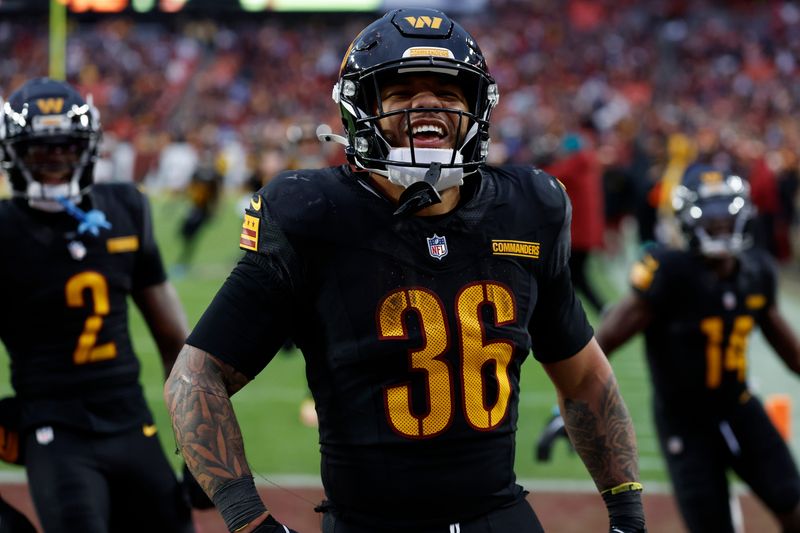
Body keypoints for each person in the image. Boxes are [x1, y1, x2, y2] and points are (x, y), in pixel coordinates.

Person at [165, 9, 646, 533]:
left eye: (448, 92)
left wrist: (627, 513)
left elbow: (586, 377)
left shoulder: (531, 208)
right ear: (359, 109)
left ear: (477, 107)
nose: (427, 106)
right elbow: (195, 377)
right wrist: (249, 521)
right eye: (400, 93)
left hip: (498, 517)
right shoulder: (312, 214)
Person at [0, 77, 195, 533]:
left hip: (129, 421)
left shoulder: (124, 207)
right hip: (54, 430)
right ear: (14, 153)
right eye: (38, 150)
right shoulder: (5, 231)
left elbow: (174, 342)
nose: (53, 161)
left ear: (86, 148)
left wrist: (199, 447)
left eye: (65, 147)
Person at [595, 165, 800, 532]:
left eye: (727, 216)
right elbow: (603, 342)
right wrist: (574, 405)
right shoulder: (669, 272)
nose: (721, 225)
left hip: (739, 405)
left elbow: (790, 350)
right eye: (712, 217)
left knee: (794, 505)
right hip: (684, 422)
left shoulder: (757, 271)